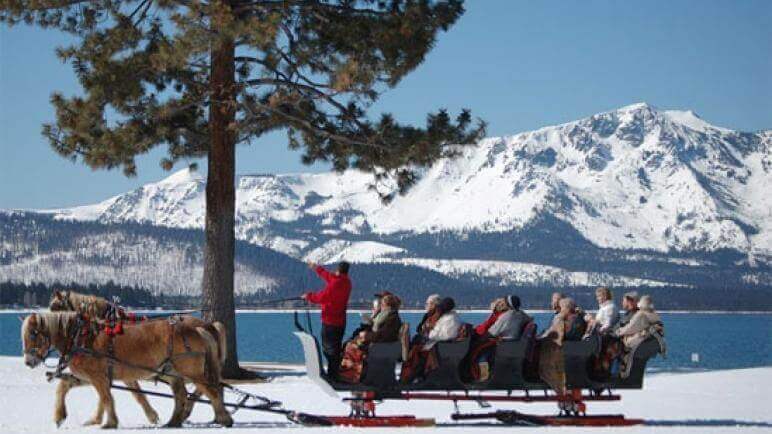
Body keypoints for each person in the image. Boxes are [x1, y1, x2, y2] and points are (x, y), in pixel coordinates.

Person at [302, 261, 352, 381]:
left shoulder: (336, 284)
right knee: (335, 348)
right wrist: (316, 268)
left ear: (338, 271)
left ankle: (333, 375)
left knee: (329, 349)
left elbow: (323, 297)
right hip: (340, 321)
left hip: (330, 321)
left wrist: (309, 296)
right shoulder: (346, 282)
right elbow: (328, 276)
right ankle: (334, 372)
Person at [338, 293, 403, 383]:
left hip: (383, 345)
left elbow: (383, 335)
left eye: (383, 305)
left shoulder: (392, 318)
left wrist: (366, 336)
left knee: (352, 348)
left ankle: (351, 375)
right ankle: (349, 373)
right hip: (382, 343)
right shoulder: (388, 317)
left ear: (388, 306)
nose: (381, 307)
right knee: (350, 345)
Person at [466, 295, 532, 381]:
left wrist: (479, 336)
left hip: (504, 343)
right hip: (513, 342)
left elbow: (492, 332)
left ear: (508, 304)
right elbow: (530, 319)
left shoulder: (506, 316)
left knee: (475, 349)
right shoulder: (522, 314)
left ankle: (474, 375)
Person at [400, 297, 461, 383]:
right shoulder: (445, 317)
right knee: (416, 350)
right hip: (435, 342)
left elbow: (446, 334)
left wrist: (429, 335)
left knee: (418, 352)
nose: (439, 309)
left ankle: (414, 375)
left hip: (440, 345)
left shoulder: (450, 319)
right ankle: (413, 375)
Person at [538, 297, 587, 396]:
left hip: (565, 349)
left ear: (567, 308)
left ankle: (560, 388)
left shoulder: (570, 319)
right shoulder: (569, 319)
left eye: (562, 307)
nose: (560, 309)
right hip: (565, 347)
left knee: (547, 364)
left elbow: (561, 335)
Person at [614, 295, 665, 378]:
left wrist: (618, 332)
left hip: (643, 337)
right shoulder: (654, 314)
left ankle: (624, 373)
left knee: (626, 348)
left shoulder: (641, 314)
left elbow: (631, 328)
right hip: (654, 338)